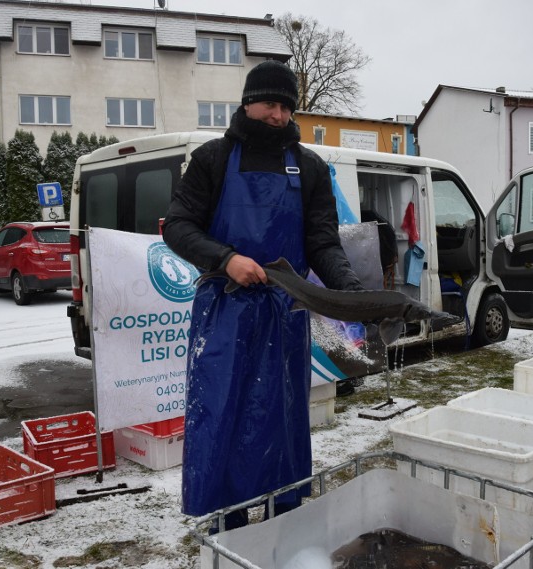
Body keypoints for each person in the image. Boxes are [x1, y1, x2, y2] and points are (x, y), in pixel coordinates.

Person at [162, 60, 362, 530]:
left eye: (286, 107)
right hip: (224, 312)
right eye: (270, 103)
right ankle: (226, 524)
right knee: (223, 413)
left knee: (282, 417)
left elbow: (323, 242)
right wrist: (226, 257)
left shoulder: (310, 167)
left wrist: (349, 291)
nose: (278, 114)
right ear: (248, 103)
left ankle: (283, 522)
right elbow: (177, 226)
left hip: (284, 313)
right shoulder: (212, 159)